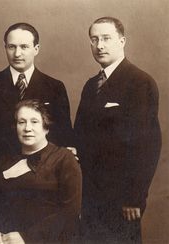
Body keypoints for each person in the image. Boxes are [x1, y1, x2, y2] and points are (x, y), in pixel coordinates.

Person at [0, 22, 74, 237]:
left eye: (24, 47)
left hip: (43, 185)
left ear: (36, 48)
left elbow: (63, 136)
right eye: (11, 47)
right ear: (4, 47)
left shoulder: (55, 87)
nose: (17, 53)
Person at [74, 17, 161, 243]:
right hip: (90, 195)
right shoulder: (91, 85)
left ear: (122, 41)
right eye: (94, 39)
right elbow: (80, 136)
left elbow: (148, 145)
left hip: (122, 199)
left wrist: (135, 196)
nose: (99, 45)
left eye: (106, 38)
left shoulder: (140, 82)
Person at [0, 99, 82, 243]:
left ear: (46, 127)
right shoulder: (6, 161)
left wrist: (26, 238)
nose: (27, 128)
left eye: (34, 122)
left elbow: (70, 212)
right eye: (21, 122)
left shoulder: (64, 158)